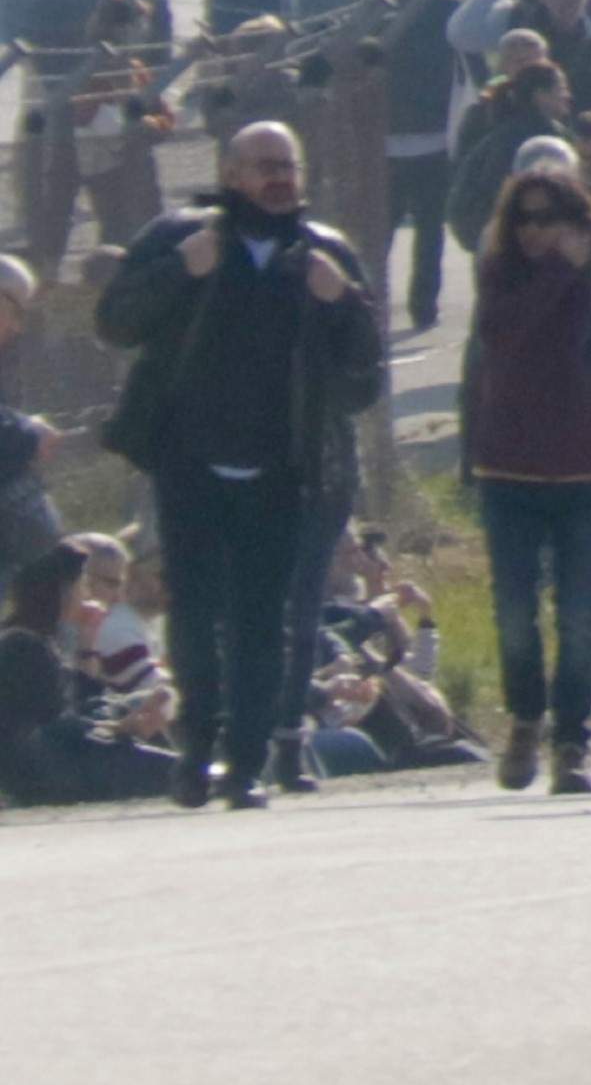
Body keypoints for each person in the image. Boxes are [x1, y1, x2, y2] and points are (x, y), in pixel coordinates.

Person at [94, 117, 389, 805]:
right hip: (190, 463)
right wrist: (180, 270)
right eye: (263, 165)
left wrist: (339, 300)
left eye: (288, 164)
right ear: (231, 175)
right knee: (194, 617)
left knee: (265, 622)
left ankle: (248, 764)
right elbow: (115, 320)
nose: (278, 178)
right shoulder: (180, 238)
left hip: (283, 470)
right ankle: (195, 756)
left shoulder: (325, 254)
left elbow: (364, 375)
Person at [458, 155, 591, 793]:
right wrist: (556, 268)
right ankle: (526, 716)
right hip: (511, 466)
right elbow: (504, 337)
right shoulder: (503, 273)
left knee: (578, 615)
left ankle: (571, 742)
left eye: (548, 220)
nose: (534, 232)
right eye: (522, 220)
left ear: (575, 218)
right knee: (515, 610)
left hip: (585, 466)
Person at [2, 537, 178, 803]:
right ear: (60, 592)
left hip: (60, 756)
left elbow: (81, 700)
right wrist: (118, 728)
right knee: (165, 768)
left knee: (137, 707)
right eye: (81, 586)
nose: (85, 596)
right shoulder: (22, 646)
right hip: (45, 771)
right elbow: (60, 727)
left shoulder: (37, 640)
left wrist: (88, 640)